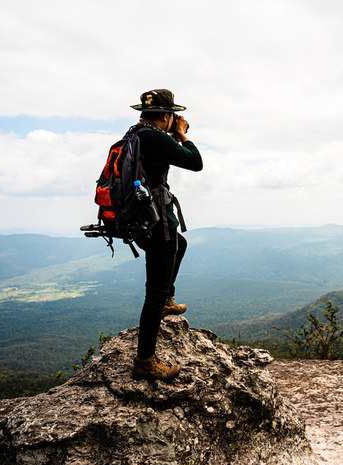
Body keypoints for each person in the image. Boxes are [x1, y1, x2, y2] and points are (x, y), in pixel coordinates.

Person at [128, 89, 203, 382]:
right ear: (166, 115)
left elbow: (162, 155)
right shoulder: (155, 137)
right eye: (174, 115)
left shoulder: (136, 135)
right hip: (156, 223)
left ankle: (167, 299)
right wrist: (183, 134)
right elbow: (195, 161)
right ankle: (145, 361)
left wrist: (172, 135)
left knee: (180, 245)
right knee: (153, 296)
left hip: (140, 220)